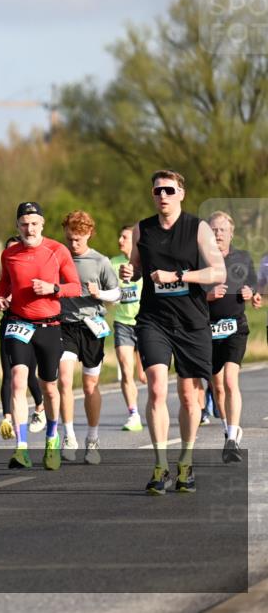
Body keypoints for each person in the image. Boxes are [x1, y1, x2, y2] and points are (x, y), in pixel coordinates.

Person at [120, 171, 226, 495]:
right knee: (155, 388)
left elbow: (218, 270)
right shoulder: (143, 229)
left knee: (189, 397)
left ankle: (186, 461)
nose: (163, 195)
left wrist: (178, 275)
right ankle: (160, 465)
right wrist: (130, 271)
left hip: (192, 321)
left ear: (181, 193)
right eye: (157, 191)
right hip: (154, 320)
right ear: (153, 195)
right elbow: (137, 267)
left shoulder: (198, 228)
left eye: (169, 190)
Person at [0, 202, 81, 471]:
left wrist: (52, 288)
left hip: (50, 326)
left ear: (42, 224)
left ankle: (52, 438)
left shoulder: (57, 250)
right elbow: (4, 284)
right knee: (18, 380)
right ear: (17, 226)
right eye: (23, 224)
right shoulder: (9, 254)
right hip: (19, 323)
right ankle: (21, 449)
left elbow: (75, 288)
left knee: (49, 387)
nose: (29, 229)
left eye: (33, 223)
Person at [57, 211, 120, 464]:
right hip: (65, 325)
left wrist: (99, 294)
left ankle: (92, 438)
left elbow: (116, 293)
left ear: (89, 234)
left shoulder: (100, 261)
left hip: (92, 327)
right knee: (63, 380)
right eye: (70, 239)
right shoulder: (58, 258)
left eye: (79, 239)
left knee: (89, 386)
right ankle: (68, 435)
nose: (74, 244)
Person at [205, 212, 261, 463]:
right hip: (208, 327)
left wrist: (253, 293)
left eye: (222, 230)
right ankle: (228, 427)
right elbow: (191, 292)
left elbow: (252, 285)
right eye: (214, 230)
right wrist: (208, 295)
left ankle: (231, 439)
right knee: (217, 386)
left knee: (229, 379)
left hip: (235, 326)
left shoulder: (242, 258)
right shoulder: (201, 258)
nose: (218, 234)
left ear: (231, 233)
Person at [0, 236, 45, 440]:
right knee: (10, 374)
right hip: (9, 326)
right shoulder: (5, 278)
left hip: (32, 326)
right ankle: (8, 418)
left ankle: (40, 408)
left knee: (28, 374)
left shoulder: (33, 271)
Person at [111, 224, 145, 432]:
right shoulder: (113, 263)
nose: (120, 241)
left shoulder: (144, 262)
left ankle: (156, 405)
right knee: (126, 370)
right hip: (123, 323)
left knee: (146, 376)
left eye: (124, 237)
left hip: (146, 322)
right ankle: (133, 414)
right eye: (120, 237)